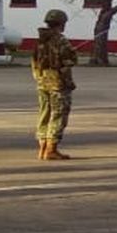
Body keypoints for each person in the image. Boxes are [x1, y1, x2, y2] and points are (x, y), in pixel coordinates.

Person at [32, 9, 77, 160]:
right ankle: (51, 149)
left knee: (44, 113)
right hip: (58, 83)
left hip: (42, 82)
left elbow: (34, 62)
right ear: (61, 24)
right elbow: (69, 61)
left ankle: (42, 148)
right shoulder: (61, 40)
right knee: (59, 115)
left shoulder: (40, 41)